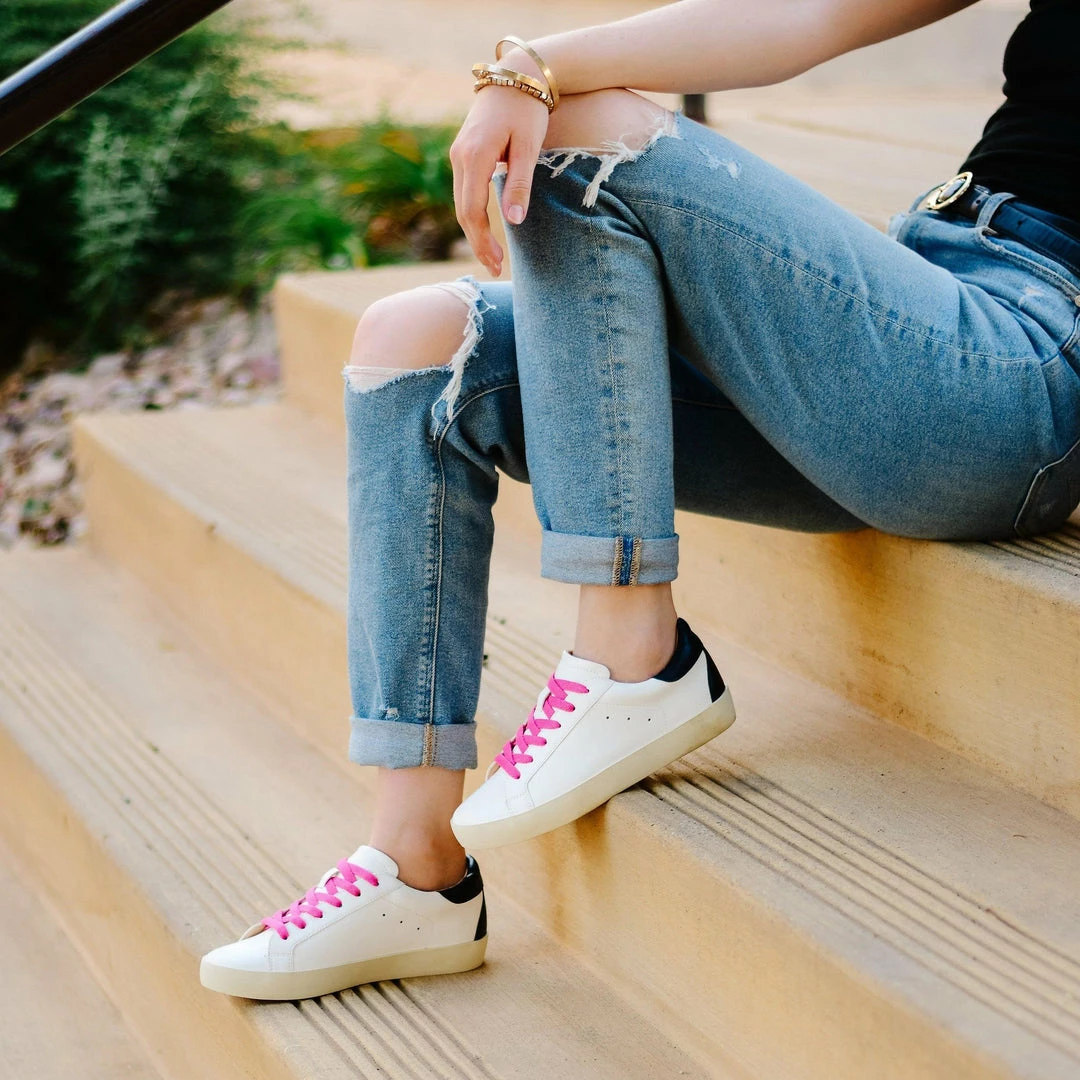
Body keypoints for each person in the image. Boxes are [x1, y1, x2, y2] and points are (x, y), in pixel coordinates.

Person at [200, 0, 1080, 1001]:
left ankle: (632, 652)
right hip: (922, 299)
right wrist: (527, 65)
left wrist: (541, 85)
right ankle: (415, 865)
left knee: (578, 130)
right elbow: (804, 14)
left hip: (1018, 370)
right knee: (415, 344)